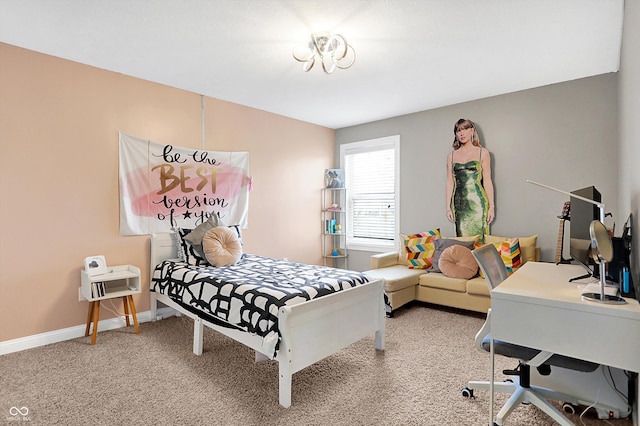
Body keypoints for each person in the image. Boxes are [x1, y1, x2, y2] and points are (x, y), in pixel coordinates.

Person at [446, 118, 495, 239]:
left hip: (478, 203)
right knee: (463, 242)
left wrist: (492, 207)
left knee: (480, 242)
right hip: (460, 204)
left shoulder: (482, 153)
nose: (461, 133)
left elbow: (488, 181)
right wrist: (448, 207)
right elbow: (450, 182)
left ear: (472, 130)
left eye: (465, 129)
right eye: (458, 131)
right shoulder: (451, 156)